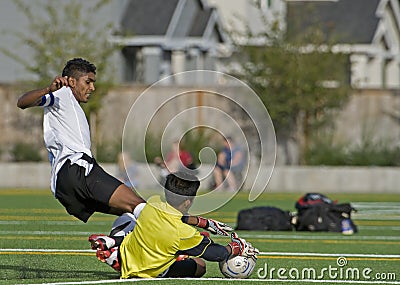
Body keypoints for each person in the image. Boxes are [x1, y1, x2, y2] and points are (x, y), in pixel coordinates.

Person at [16, 58, 232, 235]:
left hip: (64, 184)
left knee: (129, 214)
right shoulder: (61, 95)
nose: (92, 87)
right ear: (72, 81)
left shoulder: (69, 103)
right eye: (88, 81)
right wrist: (48, 88)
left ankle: (115, 247)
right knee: (140, 207)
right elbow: (22, 102)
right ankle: (195, 231)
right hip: (77, 170)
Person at [88, 172, 259, 278]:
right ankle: (174, 255)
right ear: (187, 202)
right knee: (200, 265)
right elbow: (218, 254)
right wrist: (236, 246)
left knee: (128, 216)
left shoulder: (154, 203)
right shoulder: (184, 233)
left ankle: (114, 241)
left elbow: (174, 217)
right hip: (149, 272)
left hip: (126, 256)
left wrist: (204, 222)